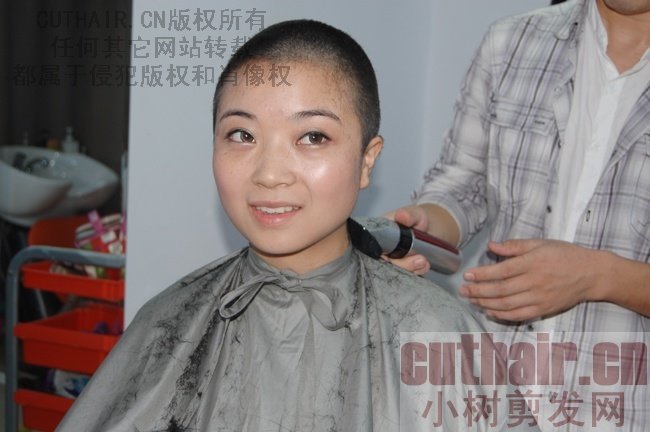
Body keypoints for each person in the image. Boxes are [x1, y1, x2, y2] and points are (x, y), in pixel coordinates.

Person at [58, 20, 519, 432]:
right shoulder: (168, 321)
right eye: (242, 135)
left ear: (366, 159)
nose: (269, 173)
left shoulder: (435, 331)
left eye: (312, 137)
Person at [389, 0, 649, 429]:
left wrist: (599, 276)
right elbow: (465, 183)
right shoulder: (512, 41)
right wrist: (424, 225)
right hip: (490, 392)